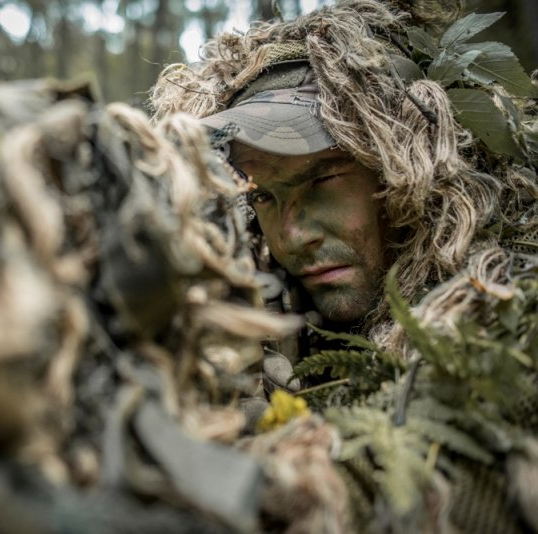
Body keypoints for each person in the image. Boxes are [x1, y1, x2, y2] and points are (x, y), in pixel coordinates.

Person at [151, 0, 538, 530]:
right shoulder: (260, 304)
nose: (293, 234)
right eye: (263, 196)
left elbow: (442, 474)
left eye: (322, 180)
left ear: (411, 171)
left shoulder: (510, 305)